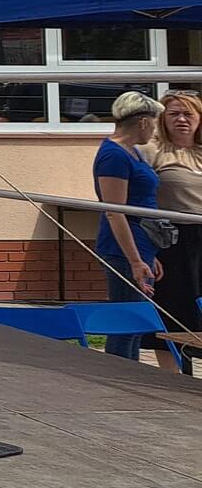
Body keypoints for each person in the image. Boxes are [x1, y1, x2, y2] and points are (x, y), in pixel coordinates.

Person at [95, 91, 166, 360]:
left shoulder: (132, 152)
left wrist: (149, 254)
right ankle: (117, 373)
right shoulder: (114, 155)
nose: (154, 130)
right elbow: (115, 212)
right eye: (154, 123)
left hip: (141, 243)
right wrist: (135, 260)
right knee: (126, 322)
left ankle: (129, 368)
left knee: (135, 323)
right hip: (122, 248)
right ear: (143, 122)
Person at [143, 91, 202, 348]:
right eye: (174, 114)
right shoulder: (152, 150)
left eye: (188, 114)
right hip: (172, 239)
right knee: (174, 307)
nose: (181, 119)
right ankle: (170, 366)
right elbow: (138, 198)